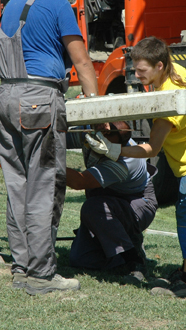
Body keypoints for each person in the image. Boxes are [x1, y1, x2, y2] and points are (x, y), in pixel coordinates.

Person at [86, 36, 186, 298]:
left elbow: (151, 149)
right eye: (135, 68)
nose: (136, 75)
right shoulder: (175, 70)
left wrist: (113, 150)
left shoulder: (168, 102)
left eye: (141, 70)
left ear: (159, 65)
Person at [0, 0, 98, 295]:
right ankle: (42, 275)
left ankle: (22, 270)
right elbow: (81, 60)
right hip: (39, 101)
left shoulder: (11, 5)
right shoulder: (57, 4)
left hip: (7, 99)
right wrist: (94, 104)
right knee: (43, 187)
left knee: (17, 187)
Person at [65, 122, 158, 284]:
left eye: (109, 133)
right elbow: (63, 137)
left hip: (138, 202)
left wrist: (47, 164)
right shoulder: (95, 136)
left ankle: (134, 260)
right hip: (110, 200)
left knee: (93, 208)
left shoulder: (123, 163)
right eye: (107, 124)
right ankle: (123, 251)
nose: (104, 130)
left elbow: (78, 183)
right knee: (81, 259)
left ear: (116, 144)